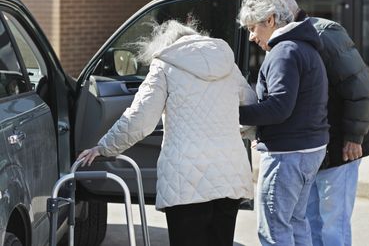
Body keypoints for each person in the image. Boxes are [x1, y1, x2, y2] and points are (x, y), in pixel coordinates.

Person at [78, 19, 256, 246]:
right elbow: (251, 106)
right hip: (229, 175)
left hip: (186, 182)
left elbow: (140, 118)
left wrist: (105, 147)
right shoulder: (227, 65)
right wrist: (238, 131)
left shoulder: (165, 65)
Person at [237, 0, 330, 246]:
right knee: (297, 223)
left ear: (270, 20)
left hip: (288, 155)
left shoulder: (284, 51)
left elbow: (278, 108)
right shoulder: (303, 46)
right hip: (309, 149)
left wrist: (232, 112)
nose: (252, 37)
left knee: (274, 230)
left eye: (252, 27)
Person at [281, 0, 369, 246]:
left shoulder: (325, 34)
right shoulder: (285, 41)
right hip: (312, 149)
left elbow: (360, 89)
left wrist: (354, 138)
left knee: (334, 226)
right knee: (309, 224)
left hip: (340, 147)